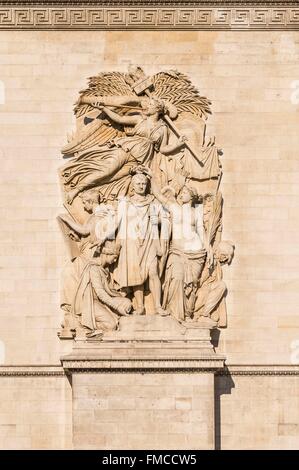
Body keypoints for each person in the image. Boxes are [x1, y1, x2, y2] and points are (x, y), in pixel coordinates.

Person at [60, 96, 187, 204]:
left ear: (157, 109)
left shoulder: (163, 128)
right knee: (106, 171)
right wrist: (103, 108)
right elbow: (119, 119)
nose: (147, 106)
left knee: (112, 178)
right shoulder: (140, 119)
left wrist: (178, 144)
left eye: (150, 104)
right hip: (127, 149)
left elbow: (163, 149)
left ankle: (86, 190)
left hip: (140, 161)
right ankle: (75, 190)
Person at [148, 171, 207, 322]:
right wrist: (151, 176)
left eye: (185, 192)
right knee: (176, 279)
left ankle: (188, 315)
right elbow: (158, 194)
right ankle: (175, 316)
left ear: (192, 195)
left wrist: (210, 249)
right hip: (177, 251)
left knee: (191, 286)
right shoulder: (174, 207)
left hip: (196, 252)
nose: (182, 194)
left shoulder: (197, 212)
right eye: (181, 192)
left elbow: (201, 231)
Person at [114, 170, 169, 316]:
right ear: (132, 186)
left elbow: (164, 217)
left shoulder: (153, 201)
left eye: (144, 183)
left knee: (153, 272)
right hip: (132, 242)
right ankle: (140, 307)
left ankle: (158, 306)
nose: (141, 186)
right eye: (138, 183)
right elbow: (118, 222)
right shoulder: (126, 202)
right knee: (136, 275)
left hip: (150, 240)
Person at [72, 240, 132, 338]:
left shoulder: (105, 270)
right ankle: (81, 324)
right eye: (115, 257)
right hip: (92, 303)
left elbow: (109, 291)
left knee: (127, 303)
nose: (115, 260)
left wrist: (122, 294)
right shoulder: (94, 268)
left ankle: (112, 315)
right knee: (111, 325)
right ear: (107, 254)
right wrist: (117, 307)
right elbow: (100, 293)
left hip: (102, 301)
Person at [194, 241, 235, 327]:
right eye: (225, 257)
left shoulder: (217, 265)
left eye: (226, 259)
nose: (224, 260)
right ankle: (203, 314)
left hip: (206, 291)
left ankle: (205, 314)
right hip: (199, 293)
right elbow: (199, 280)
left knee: (221, 285)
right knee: (221, 285)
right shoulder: (210, 260)